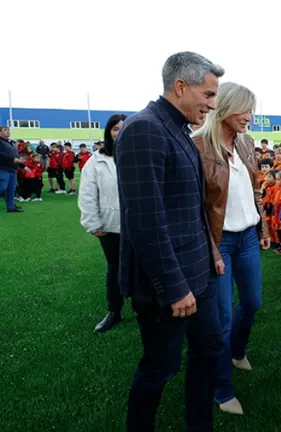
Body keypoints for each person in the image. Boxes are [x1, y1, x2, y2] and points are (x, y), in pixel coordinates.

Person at [116, 51, 225, 432]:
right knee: (159, 368)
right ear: (181, 86)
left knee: (209, 351)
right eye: (208, 95)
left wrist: (212, 251)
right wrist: (176, 288)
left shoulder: (176, 128)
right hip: (169, 288)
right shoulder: (143, 129)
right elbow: (145, 221)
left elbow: (190, 207)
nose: (212, 106)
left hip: (200, 274)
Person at [191, 81, 269, 416]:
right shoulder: (195, 146)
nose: (250, 117)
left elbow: (254, 191)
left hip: (249, 235)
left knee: (252, 302)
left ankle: (237, 351)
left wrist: (263, 226)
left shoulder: (247, 143)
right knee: (220, 318)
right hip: (218, 242)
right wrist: (211, 251)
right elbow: (195, 208)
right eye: (245, 109)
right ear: (224, 108)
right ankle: (221, 389)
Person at [78, 114, 127, 332]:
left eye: (124, 128)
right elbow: (87, 195)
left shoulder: (140, 155)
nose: (120, 132)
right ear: (108, 132)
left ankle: (148, 309)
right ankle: (114, 311)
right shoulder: (96, 161)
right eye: (116, 129)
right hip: (111, 227)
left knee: (146, 269)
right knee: (115, 269)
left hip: (140, 225)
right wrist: (93, 223)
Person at [0, 125, 23, 213]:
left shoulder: (11, 143)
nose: (8, 131)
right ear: (0, 132)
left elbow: (16, 156)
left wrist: (23, 166)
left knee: (11, 189)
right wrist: (11, 159)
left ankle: (11, 207)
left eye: (8, 130)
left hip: (12, 169)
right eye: (5, 130)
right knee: (2, 187)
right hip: (3, 168)